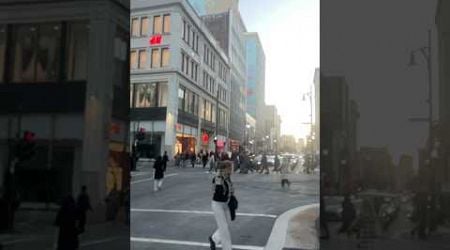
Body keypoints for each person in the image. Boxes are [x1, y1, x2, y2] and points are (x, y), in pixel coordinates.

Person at [209, 158, 234, 250]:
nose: (231, 170)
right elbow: (218, 193)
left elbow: (229, 191)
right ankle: (227, 248)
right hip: (218, 205)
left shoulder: (227, 177)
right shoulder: (218, 178)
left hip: (225, 204)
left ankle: (214, 239)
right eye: (229, 168)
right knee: (224, 229)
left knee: (226, 226)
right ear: (224, 168)